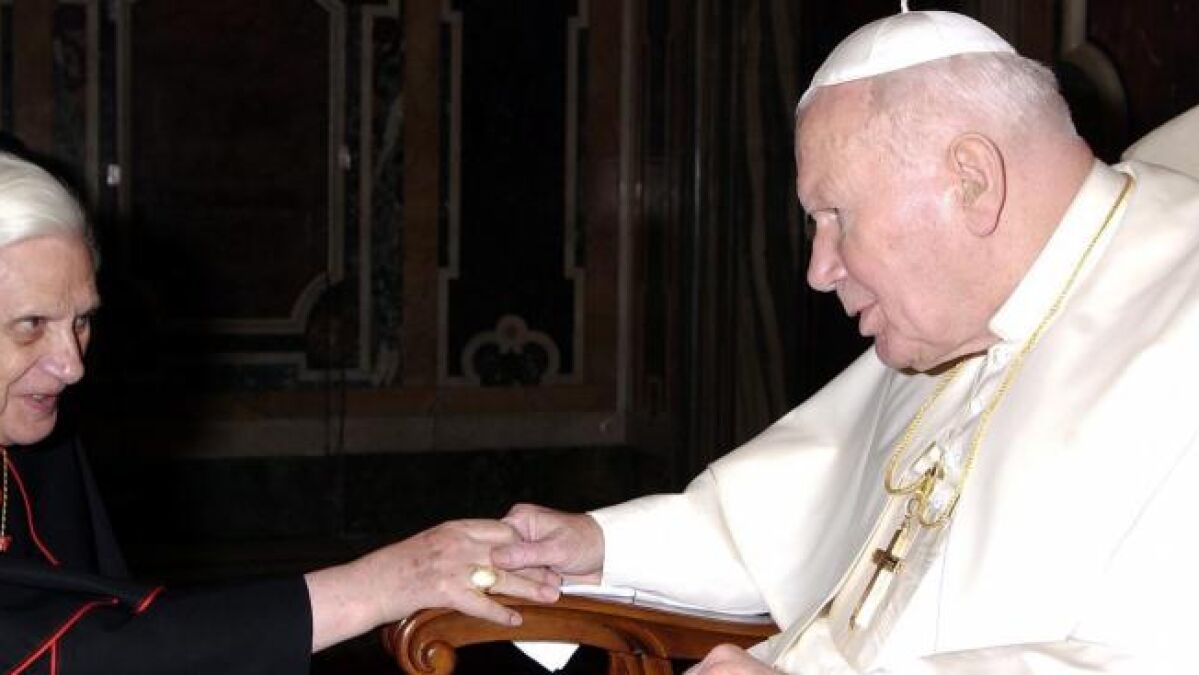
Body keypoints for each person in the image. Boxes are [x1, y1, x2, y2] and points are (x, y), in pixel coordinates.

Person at [490, 9, 1199, 674]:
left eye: (836, 215)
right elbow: (782, 521)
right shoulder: (962, 315)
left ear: (971, 181)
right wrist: (596, 545)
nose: (819, 269)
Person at [0, 151, 560, 673]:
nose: (71, 366)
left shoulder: (42, 440)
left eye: (81, 321)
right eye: (31, 326)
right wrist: (378, 585)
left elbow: (117, 624)